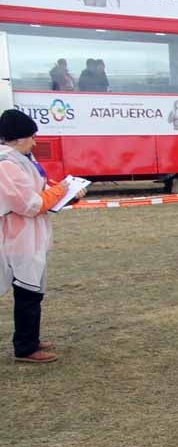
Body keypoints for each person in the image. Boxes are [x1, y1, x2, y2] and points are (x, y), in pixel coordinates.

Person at [0, 109, 87, 363]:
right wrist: (61, 191)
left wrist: (67, 195)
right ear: (17, 139)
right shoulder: (7, 165)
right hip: (17, 237)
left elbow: (42, 192)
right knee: (27, 290)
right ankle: (25, 347)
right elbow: (29, 204)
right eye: (31, 136)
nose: (35, 141)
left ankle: (31, 338)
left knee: (33, 289)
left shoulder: (23, 160)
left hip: (31, 235)